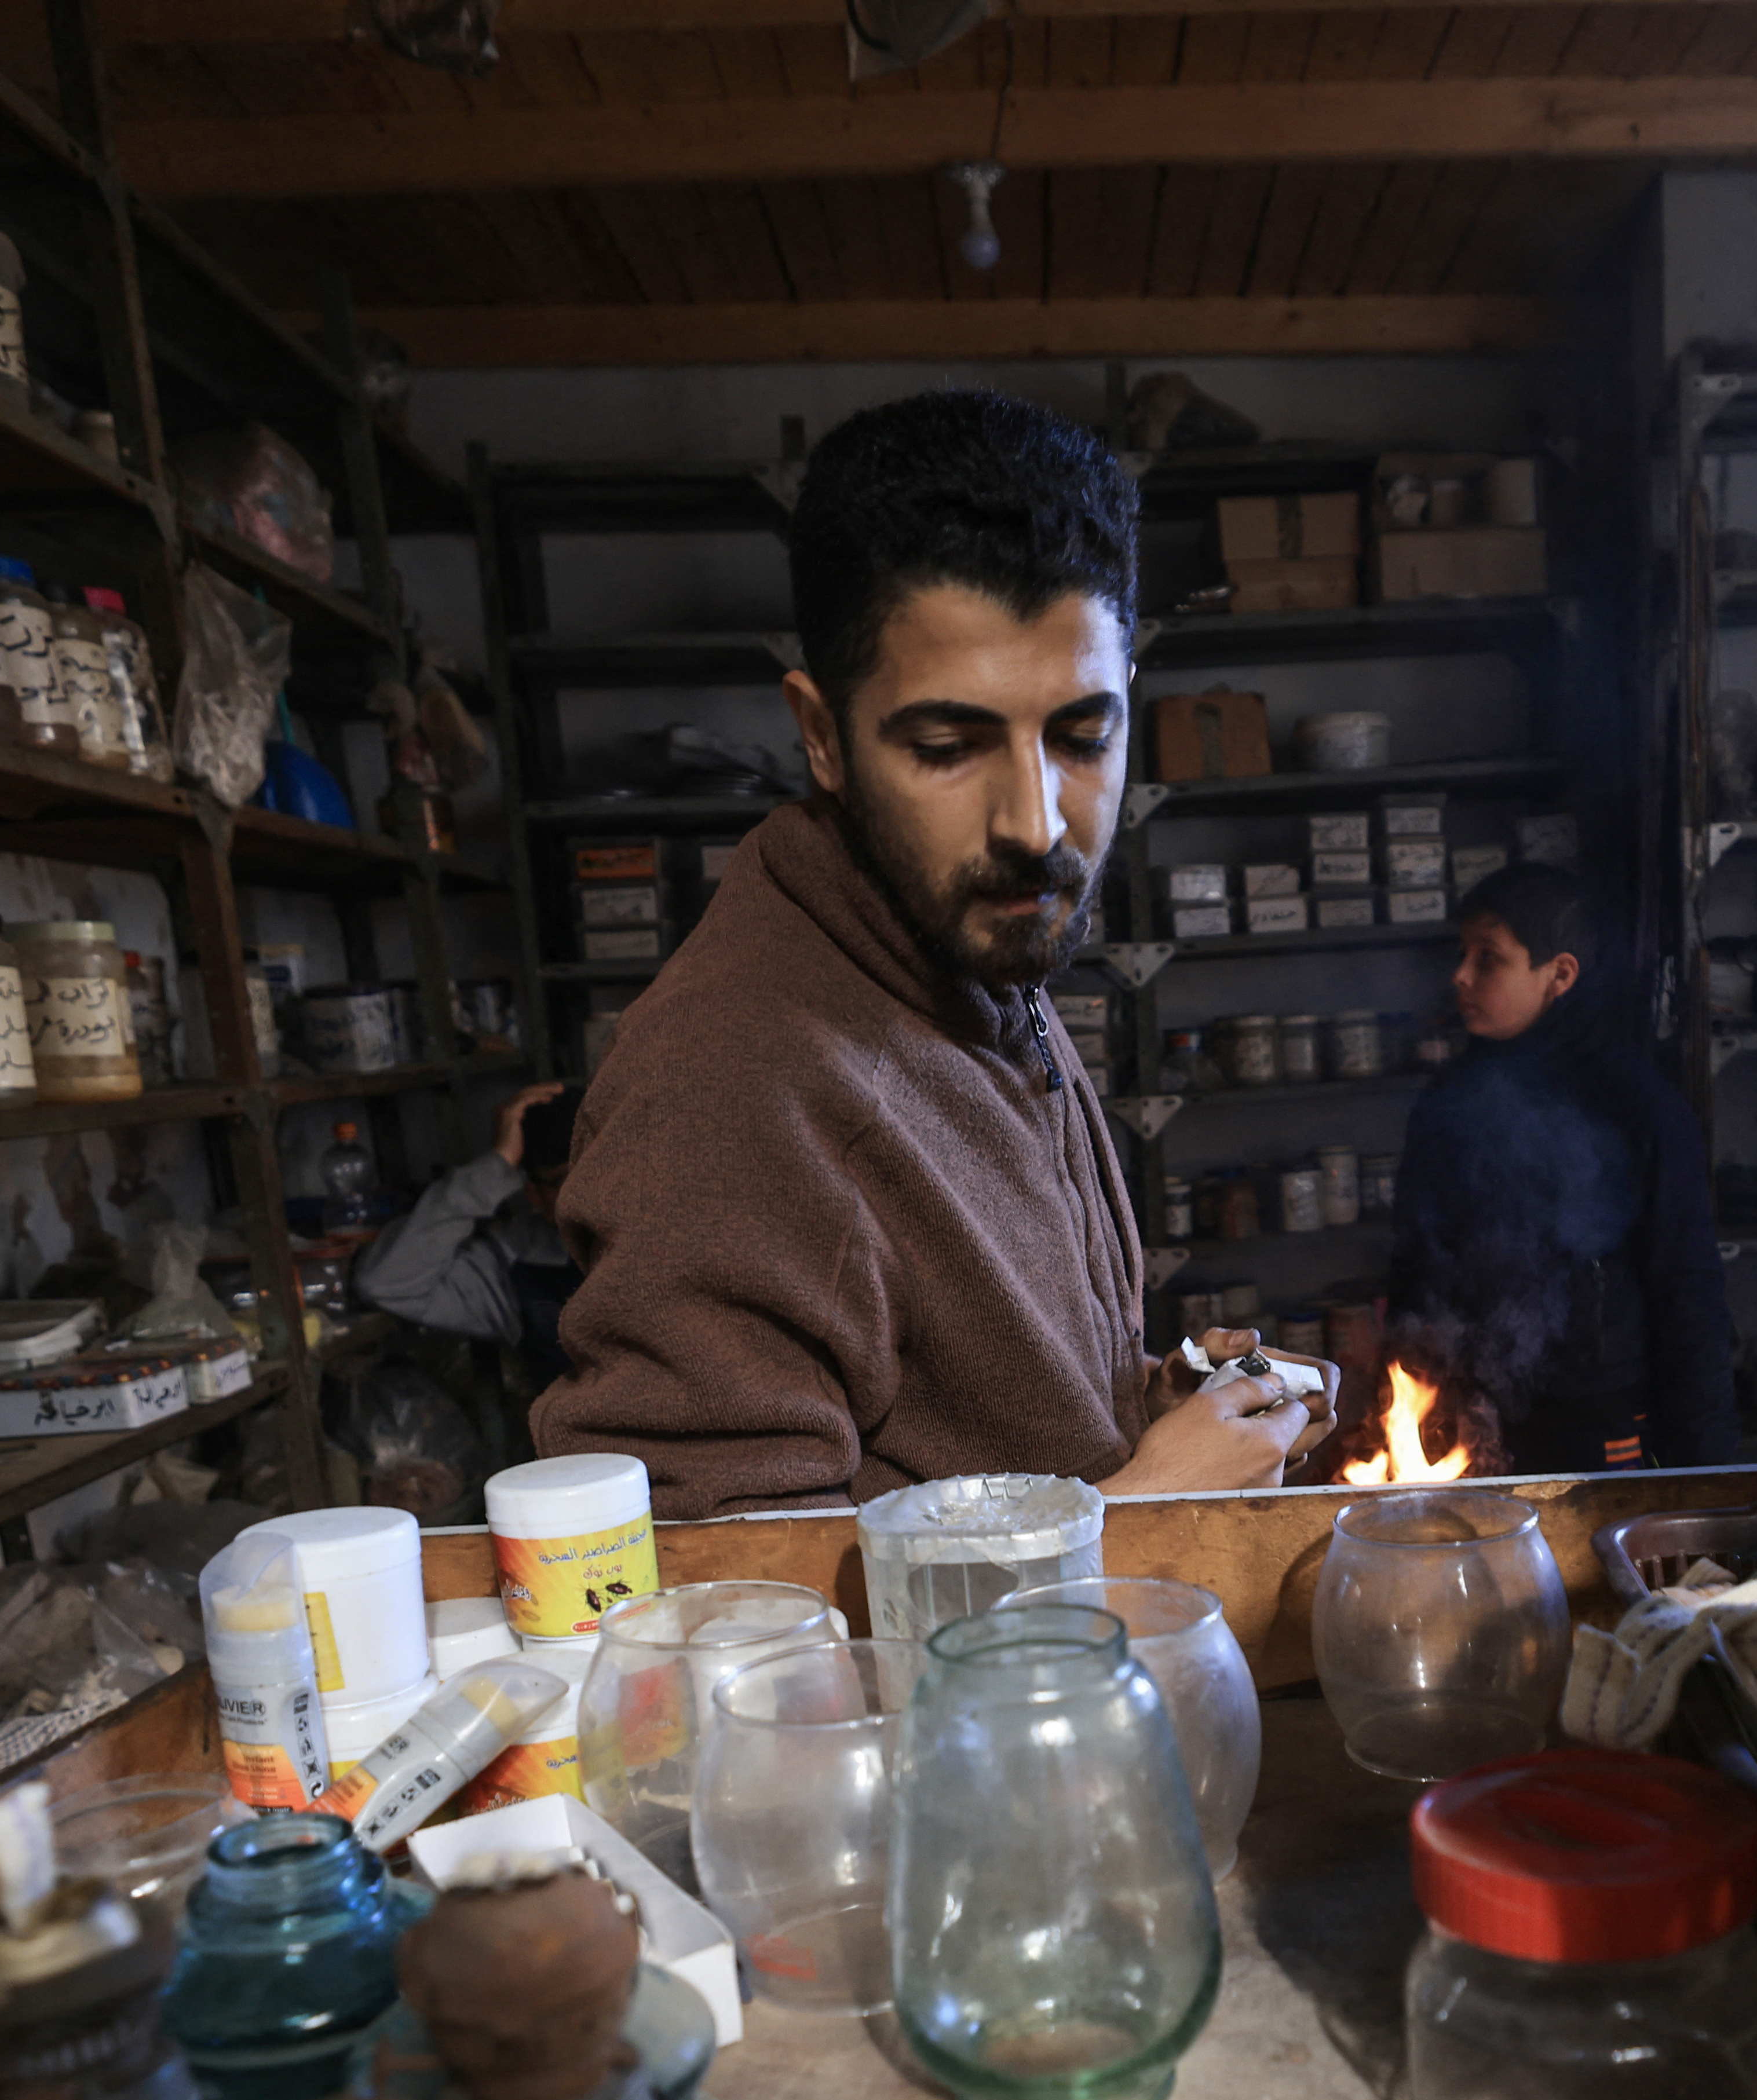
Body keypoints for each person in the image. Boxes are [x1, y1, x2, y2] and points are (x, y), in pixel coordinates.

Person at [525, 389, 1325, 1516]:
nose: (1037, 822)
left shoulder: (973, 945)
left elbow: (972, 1427)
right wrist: (1144, 1506)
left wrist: (1163, 1408)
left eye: (1083, 735)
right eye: (949, 745)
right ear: (823, 737)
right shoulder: (735, 1081)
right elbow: (728, 1623)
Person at [1385, 862, 1735, 1473]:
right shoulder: (1447, 1102)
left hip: (1596, 1428)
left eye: (1488, 958)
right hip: (1469, 1420)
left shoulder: (1639, 1109)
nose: (1460, 976)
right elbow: (1415, 1261)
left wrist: (1706, 1474)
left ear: (1560, 974)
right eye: (1461, 954)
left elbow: (1687, 1291)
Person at [353, 1079, 579, 1385]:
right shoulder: (522, 1264)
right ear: (537, 1197)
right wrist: (497, 1167)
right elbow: (389, 1281)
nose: (594, 1192)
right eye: (566, 1180)